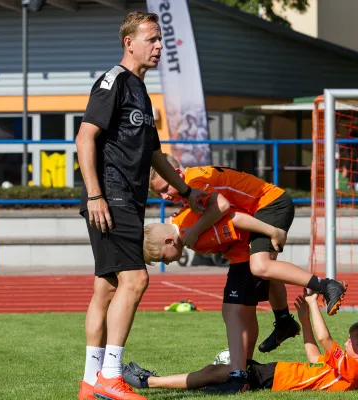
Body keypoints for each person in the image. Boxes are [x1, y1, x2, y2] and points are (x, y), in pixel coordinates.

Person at [75, 12, 207, 400]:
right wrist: (97, 195)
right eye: (151, 38)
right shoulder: (112, 82)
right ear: (129, 42)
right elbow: (85, 138)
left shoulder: (142, 91)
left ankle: (89, 382)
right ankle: (111, 377)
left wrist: (185, 191)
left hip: (126, 198)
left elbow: (153, 154)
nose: (159, 46)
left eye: (161, 39)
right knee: (136, 280)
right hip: (110, 197)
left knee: (107, 287)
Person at [148, 155, 348, 392]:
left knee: (260, 266)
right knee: (252, 286)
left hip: (269, 204)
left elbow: (226, 211)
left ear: (177, 175)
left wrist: (271, 231)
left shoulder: (195, 186)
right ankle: (278, 326)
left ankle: (326, 285)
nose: (164, 197)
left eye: (164, 189)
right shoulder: (189, 197)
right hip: (256, 217)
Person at [122, 289, 358, 393]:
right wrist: (304, 319)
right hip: (271, 373)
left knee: (219, 370)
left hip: (272, 377)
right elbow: (313, 355)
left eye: (349, 340)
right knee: (218, 374)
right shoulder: (345, 372)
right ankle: (215, 386)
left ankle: (148, 381)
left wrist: (312, 301)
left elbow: (324, 338)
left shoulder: (352, 370)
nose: (343, 343)